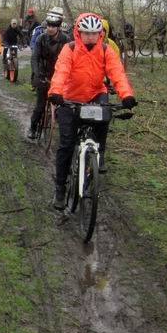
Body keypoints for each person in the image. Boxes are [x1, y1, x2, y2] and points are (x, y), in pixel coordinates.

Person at [48, 13, 137, 209]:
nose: (90, 36)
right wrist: (56, 93)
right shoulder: (69, 49)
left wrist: (126, 95)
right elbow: (61, 71)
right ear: (79, 33)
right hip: (69, 98)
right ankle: (60, 189)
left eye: (94, 33)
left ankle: (99, 154)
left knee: (105, 115)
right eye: (86, 33)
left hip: (96, 94)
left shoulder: (105, 50)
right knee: (66, 144)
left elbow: (117, 74)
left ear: (100, 34)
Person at [27, 8, 68, 139]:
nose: (50, 29)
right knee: (39, 105)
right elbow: (35, 58)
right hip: (42, 75)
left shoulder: (66, 40)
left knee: (64, 107)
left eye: (53, 26)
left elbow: (71, 60)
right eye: (49, 25)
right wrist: (37, 73)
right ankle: (32, 128)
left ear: (59, 26)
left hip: (59, 77)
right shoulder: (41, 38)